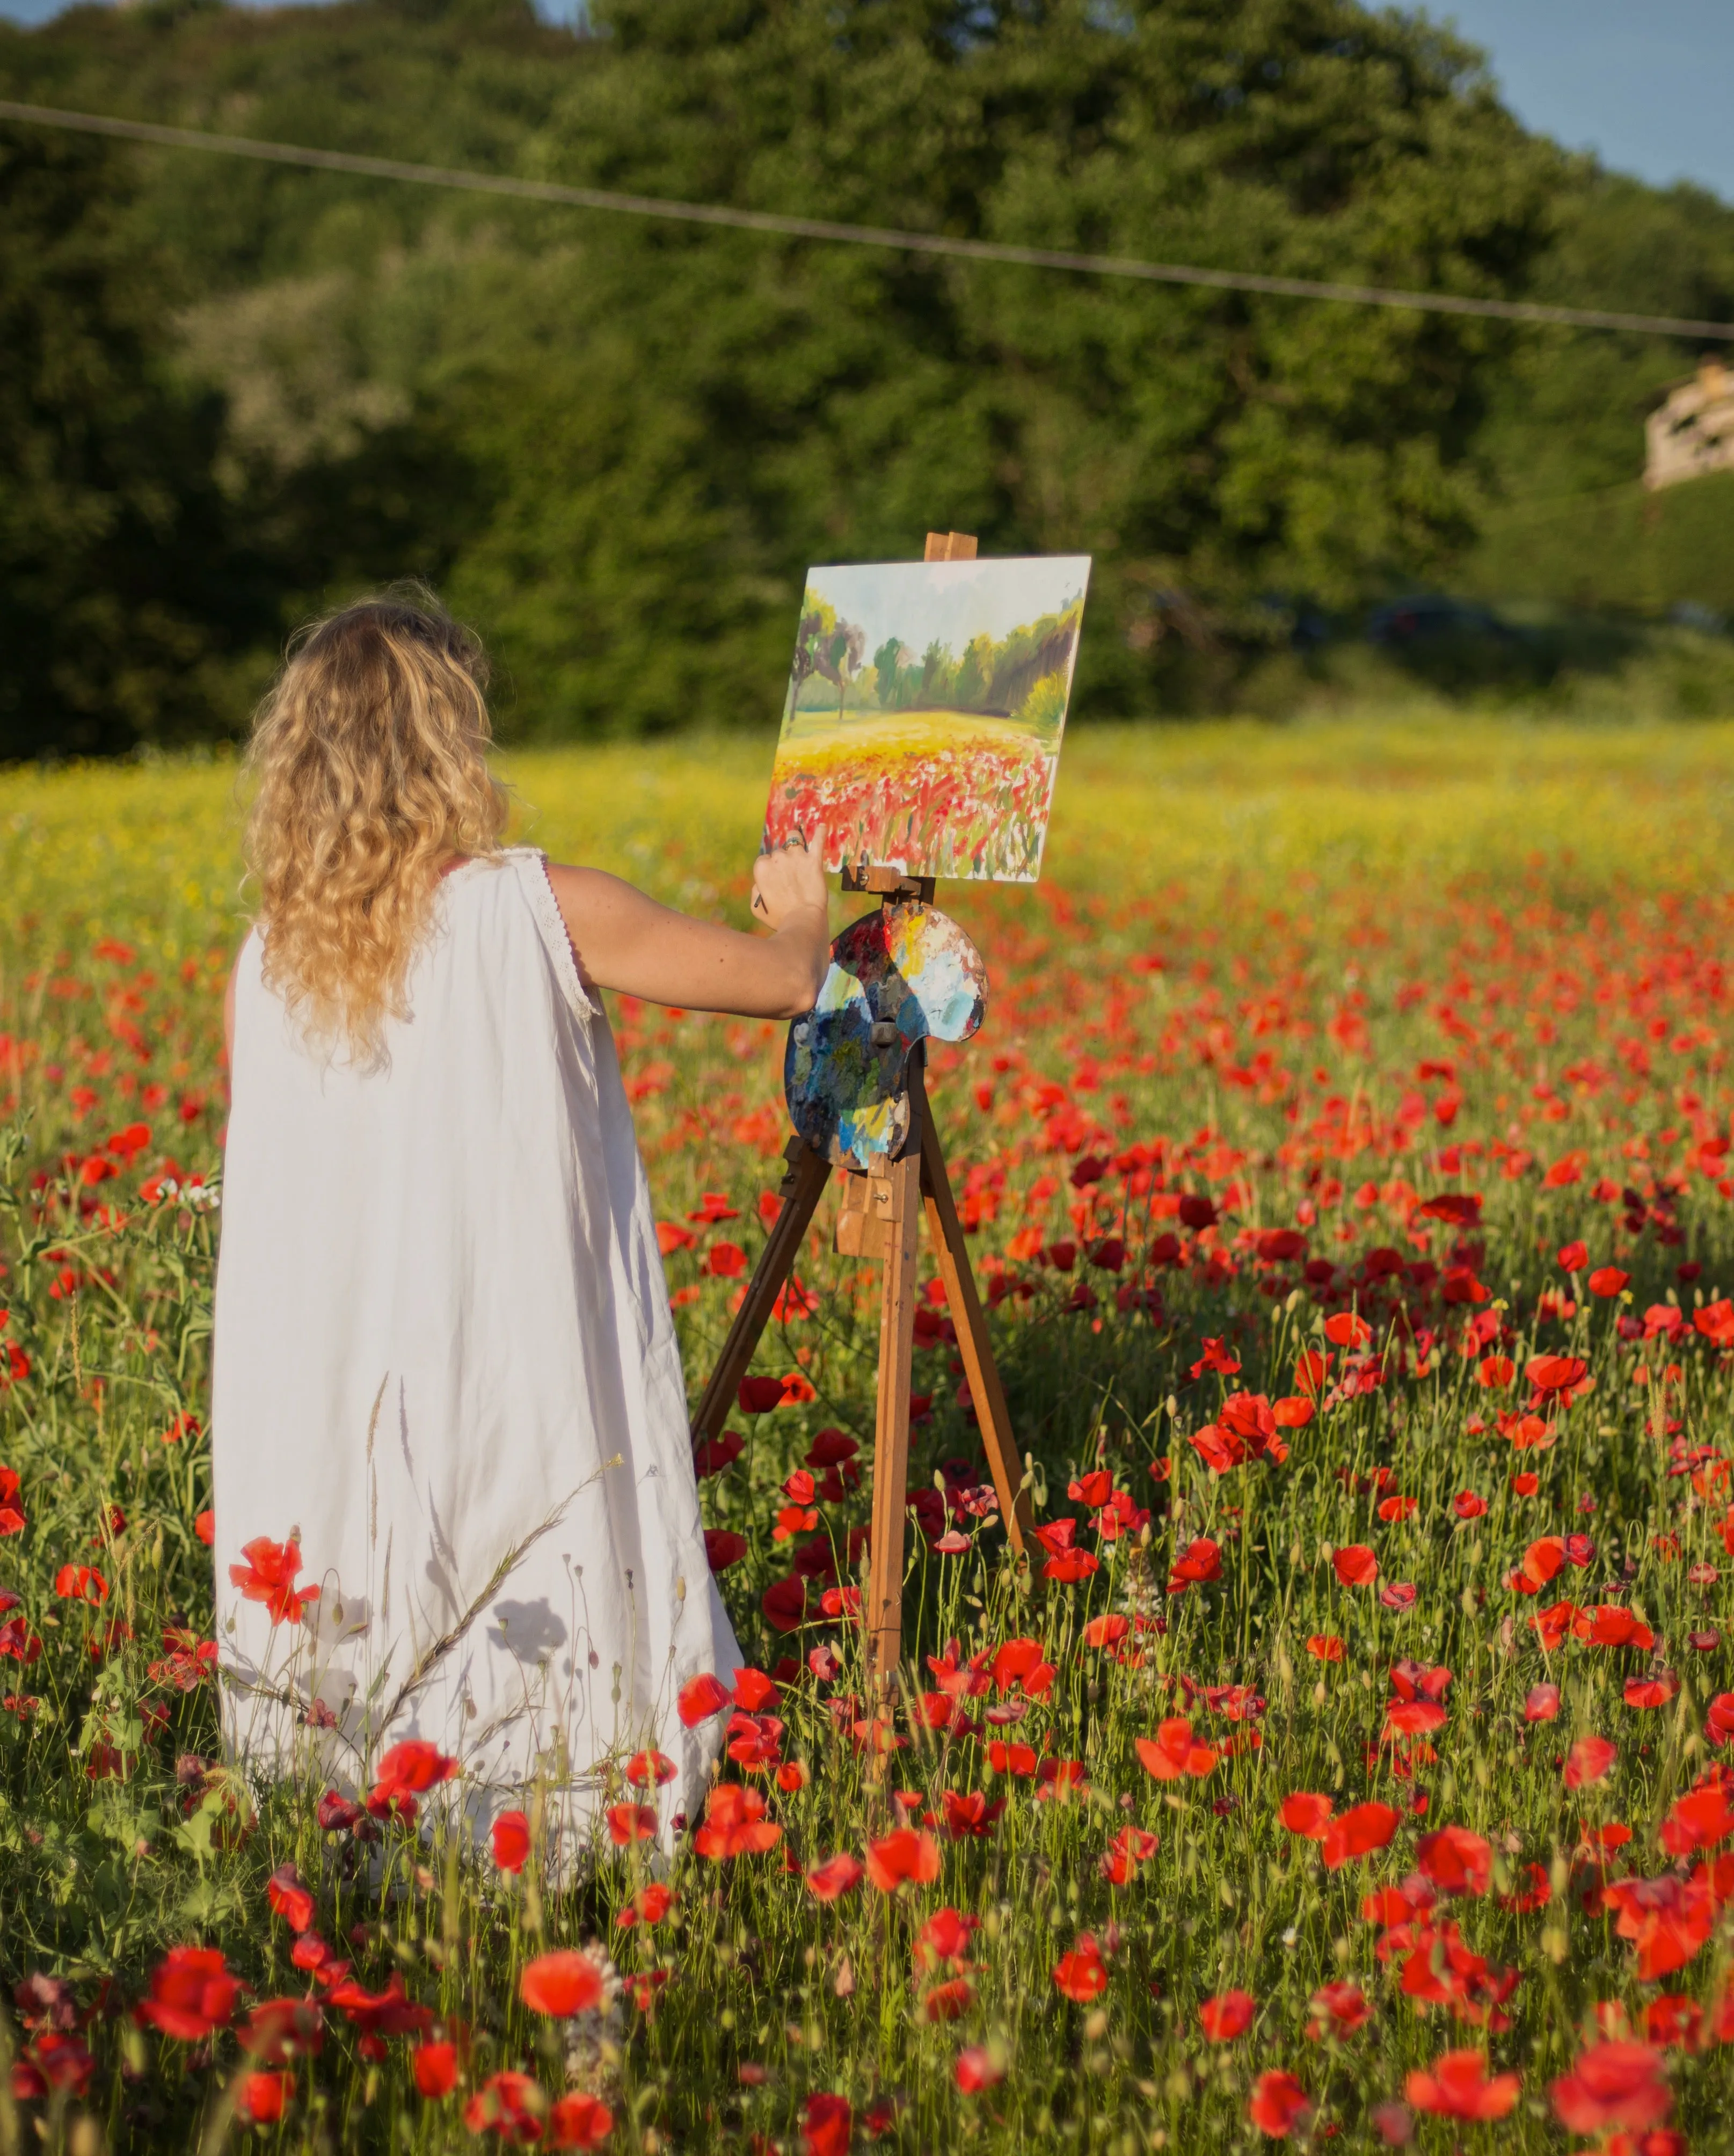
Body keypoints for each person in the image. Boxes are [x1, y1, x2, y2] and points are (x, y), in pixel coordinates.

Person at [210, 588, 829, 1851]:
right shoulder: (533, 905)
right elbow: (783, 982)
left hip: (333, 1371)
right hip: (500, 1336)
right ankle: (543, 1818)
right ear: (450, 740)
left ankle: (358, 1815)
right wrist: (804, 903)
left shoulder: (267, 958)